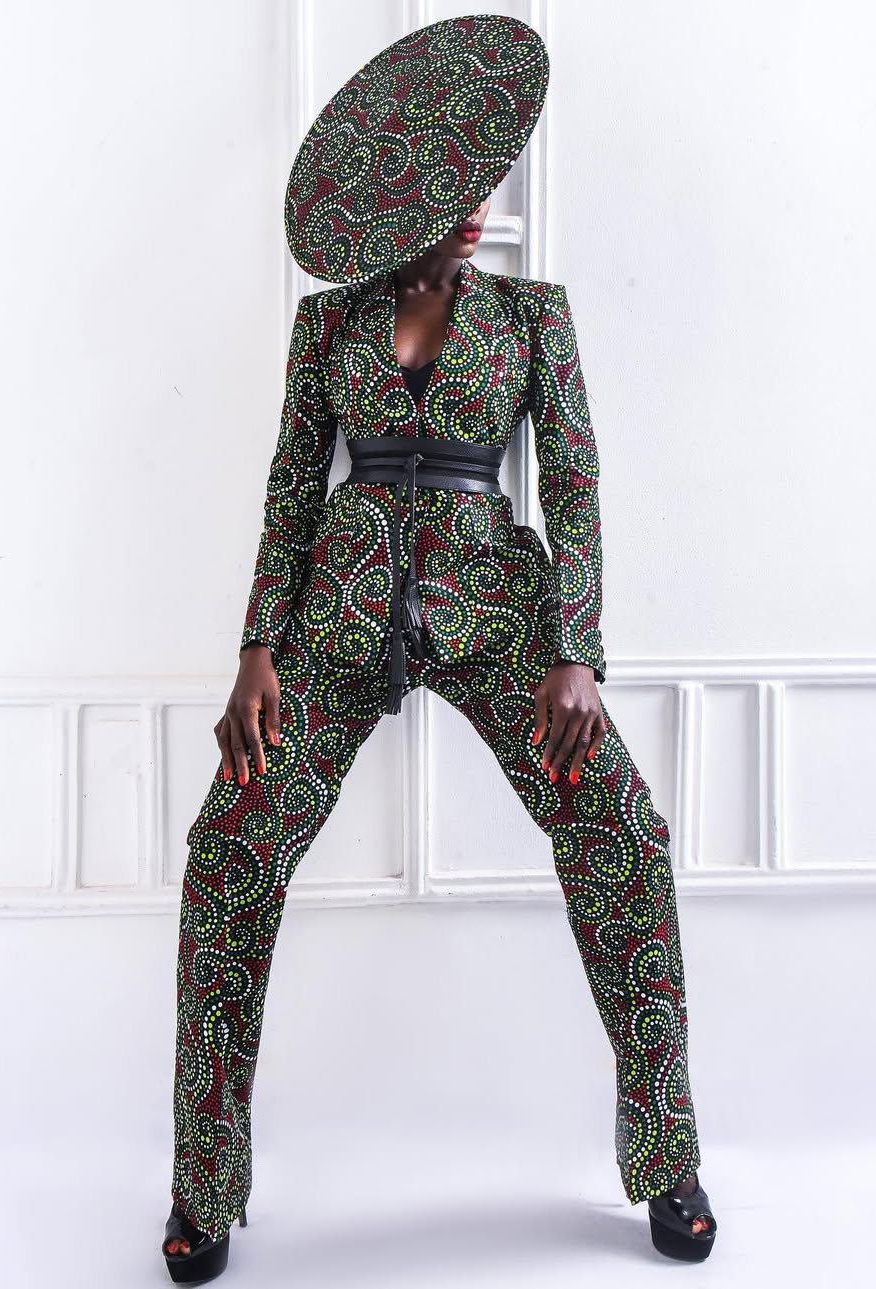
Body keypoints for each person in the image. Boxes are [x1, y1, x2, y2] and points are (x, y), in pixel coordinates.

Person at [161, 16, 716, 1282]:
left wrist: (576, 649)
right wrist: (257, 646)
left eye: (487, 184)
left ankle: (667, 1151)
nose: (480, 209)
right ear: (396, 197)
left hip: (497, 614)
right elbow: (291, 488)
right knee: (227, 852)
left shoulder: (532, 316)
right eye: (455, 188)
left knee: (624, 832)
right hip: (335, 617)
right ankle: (203, 1184)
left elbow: (573, 483)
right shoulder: (327, 326)